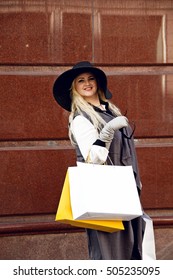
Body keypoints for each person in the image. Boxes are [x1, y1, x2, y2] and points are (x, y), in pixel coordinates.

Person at [53, 61, 145, 260]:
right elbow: (92, 158)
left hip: (126, 191)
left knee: (131, 253)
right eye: (81, 80)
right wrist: (107, 132)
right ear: (74, 88)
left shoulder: (111, 112)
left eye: (91, 78)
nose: (87, 83)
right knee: (110, 254)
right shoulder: (81, 118)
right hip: (104, 194)